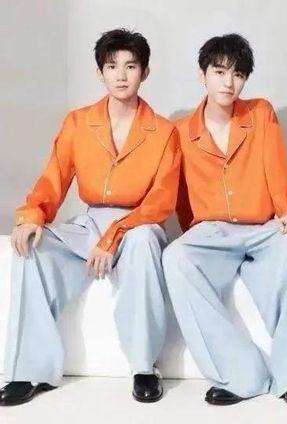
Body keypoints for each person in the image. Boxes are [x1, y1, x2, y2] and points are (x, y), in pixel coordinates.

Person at [0, 28, 180, 406]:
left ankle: (144, 367)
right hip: (90, 222)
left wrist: (115, 234)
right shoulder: (79, 122)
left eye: (130, 66)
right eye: (112, 66)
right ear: (100, 73)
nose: (121, 75)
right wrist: (32, 215)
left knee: (144, 241)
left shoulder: (164, 131)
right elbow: (54, 177)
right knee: (33, 248)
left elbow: (161, 200)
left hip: (138, 224)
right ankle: (29, 371)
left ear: (145, 72)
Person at [163, 33, 287, 406]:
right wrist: (196, 231)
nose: (228, 82)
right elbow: (179, 195)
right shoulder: (181, 131)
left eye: (237, 74)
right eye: (220, 72)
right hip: (212, 230)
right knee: (175, 257)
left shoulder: (260, 113)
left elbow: (276, 168)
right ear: (203, 75)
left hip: (264, 227)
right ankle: (241, 373)